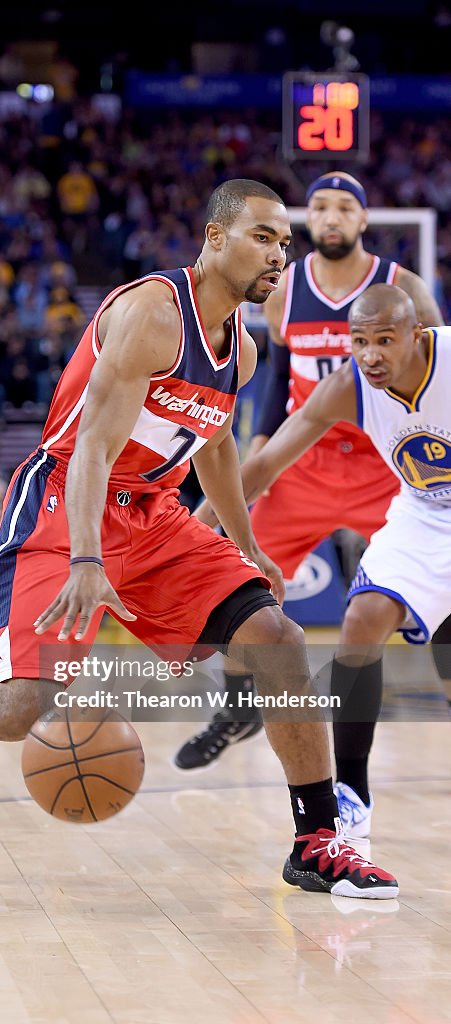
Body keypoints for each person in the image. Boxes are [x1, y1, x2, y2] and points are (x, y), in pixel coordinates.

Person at [0, 179, 398, 898]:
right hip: (63, 506)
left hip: (153, 512)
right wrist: (86, 559)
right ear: (213, 238)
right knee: (15, 709)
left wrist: (246, 544)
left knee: (279, 639)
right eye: (262, 237)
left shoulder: (240, 349)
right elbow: (89, 453)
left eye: (283, 243)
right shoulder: (151, 313)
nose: (279, 254)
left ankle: (316, 841)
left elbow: (214, 446)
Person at [175, 171, 449, 806]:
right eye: (320, 207)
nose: (331, 217)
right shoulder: (284, 288)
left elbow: (431, 367)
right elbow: (275, 378)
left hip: (391, 463)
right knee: (242, 581)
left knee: (412, 602)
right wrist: (248, 461)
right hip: (307, 458)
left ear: (362, 219)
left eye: (344, 207)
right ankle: (240, 707)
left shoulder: (400, 286)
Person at [235, 282, 451, 840]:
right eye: (360, 341)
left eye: (385, 339)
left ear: (416, 336)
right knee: (361, 620)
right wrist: (187, 532)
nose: (371, 354)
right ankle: (352, 790)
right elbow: (261, 469)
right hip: (425, 513)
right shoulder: (345, 388)